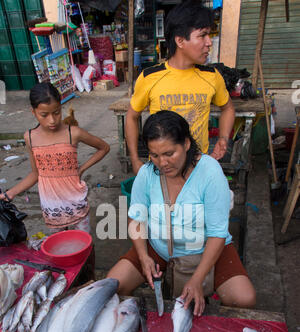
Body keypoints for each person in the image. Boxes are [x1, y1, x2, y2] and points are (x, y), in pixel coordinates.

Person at [107, 111, 256, 316]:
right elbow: (137, 217)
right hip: (158, 246)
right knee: (114, 285)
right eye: (155, 155)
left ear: (186, 144)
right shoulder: (147, 173)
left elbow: (217, 233)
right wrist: (143, 257)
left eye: (169, 153)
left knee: (243, 299)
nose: (163, 163)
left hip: (204, 247)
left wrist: (197, 279)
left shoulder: (210, 173)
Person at [125, 0, 235, 175]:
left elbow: (228, 108)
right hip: (161, 168)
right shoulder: (150, 77)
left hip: (198, 167)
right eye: (202, 35)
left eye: (209, 35)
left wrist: (223, 138)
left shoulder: (212, 76)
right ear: (180, 41)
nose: (209, 42)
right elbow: (131, 117)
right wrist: (135, 159)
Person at [0, 82, 110, 233]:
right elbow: (35, 174)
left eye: (57, 112)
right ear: (33, 112)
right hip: (51, 206)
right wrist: (10, 193)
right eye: (44, 115)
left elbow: (104, 147)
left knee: (85, 245)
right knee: (59, 248)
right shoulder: (30, 137)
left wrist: (82, 169)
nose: (52, 120)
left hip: (75, 202)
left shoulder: (74, 132)